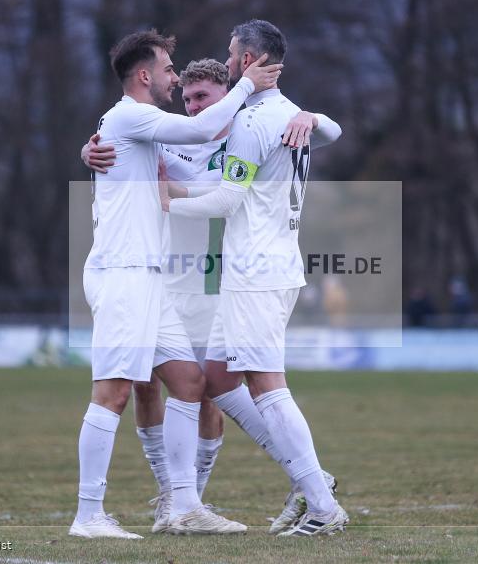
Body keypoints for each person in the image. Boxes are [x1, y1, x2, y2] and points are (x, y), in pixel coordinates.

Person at [82, 57, 342, 533]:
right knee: (155, 385)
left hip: (214, 282)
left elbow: (223, 200)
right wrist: (90, 150)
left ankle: (240, 489)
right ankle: (177, 498)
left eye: (203, 98)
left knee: (208, 389)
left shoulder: (242, 137)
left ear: (229, 99)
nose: (193, 104)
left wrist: (311, 116)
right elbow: (122, 140)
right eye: (188, 97)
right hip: (161, 275)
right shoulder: (173, 133)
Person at [71, 29, 282, 540]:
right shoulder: (130, 114)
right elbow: (202, 126)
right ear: (145, 74)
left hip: (151, 280)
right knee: (114, 392)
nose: (174, 75)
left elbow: (203, 139)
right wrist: (247, 85)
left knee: (188, 382)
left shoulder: (131, 123)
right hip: (123, 273)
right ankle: (89, 515)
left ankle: (183, 507)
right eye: (168, 68)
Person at [162, 20, 349, 537]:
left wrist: (162, 203)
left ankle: (322, 503)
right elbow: (334, 131)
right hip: (268, 266)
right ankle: (310, 479)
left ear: (247, 61)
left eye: (229, 54)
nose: (225, 62)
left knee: (269, 386)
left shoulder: (253, 122)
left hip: (256, 271)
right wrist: (316, 116)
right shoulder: (290, 113)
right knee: (218, 379)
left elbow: (226, 200)